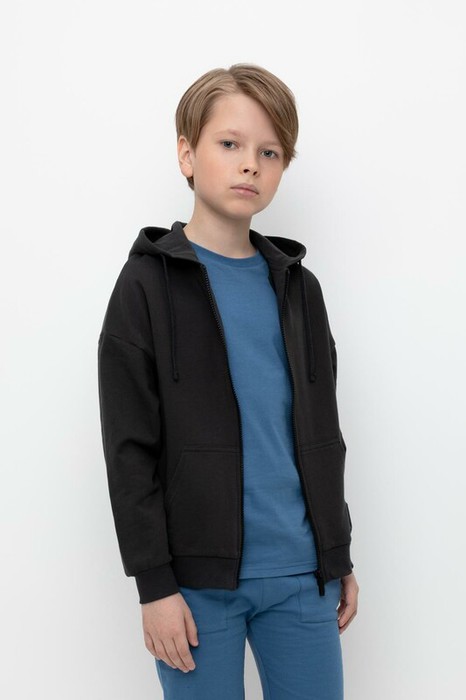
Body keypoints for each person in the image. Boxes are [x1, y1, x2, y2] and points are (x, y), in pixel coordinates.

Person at [97, 63, 359, 700]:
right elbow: (129, 450)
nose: (250, 164)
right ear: (187, 154)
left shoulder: (300, 288)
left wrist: (338, 552)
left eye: (269, 152)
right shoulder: (144, 286)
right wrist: (154, 585)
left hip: (302, 573)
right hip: (194, 585)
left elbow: (323, 431)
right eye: (230, 143)